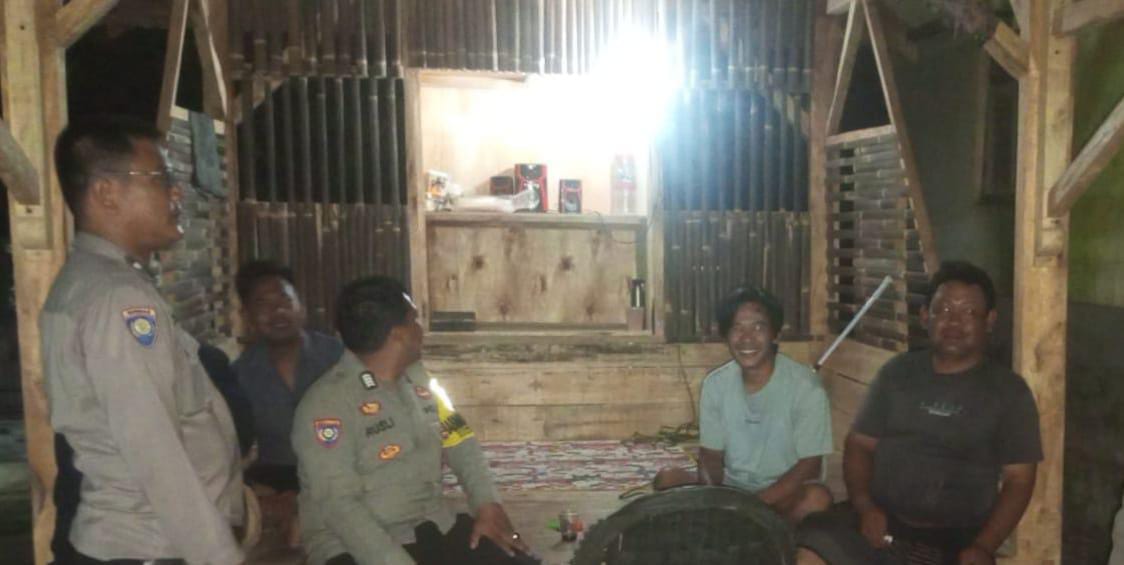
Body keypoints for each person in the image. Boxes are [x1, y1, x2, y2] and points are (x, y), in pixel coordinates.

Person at [41, 116, 244, 563]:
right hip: (147, 546)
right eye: (161, 178)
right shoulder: (118, 298)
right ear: (106, 193)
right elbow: (157, 453)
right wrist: (220, 557)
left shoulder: (90, 282)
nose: (176, 193)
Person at [796, 261, 1042, 565]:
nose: (954, 322)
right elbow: (859, 445)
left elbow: (1019, 479)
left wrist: (985, 545)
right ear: (926, 316)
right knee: (813, 543)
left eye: (969, 312)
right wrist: (865, 506)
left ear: (989, 320)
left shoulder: (1009, 392)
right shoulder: (897, 373)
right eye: (944, 310)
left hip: (956, 538)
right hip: (881, 521)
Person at [292, 276, 536, 565]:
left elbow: (460, 440)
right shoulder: (326, 405)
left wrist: (486, 504)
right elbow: (339, 507)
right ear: (399, 335)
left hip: (430, 525)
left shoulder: (422, 382)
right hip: (355, 547)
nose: (420, 330)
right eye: (414, 320)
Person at [51, 343, 253, 564]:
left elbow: (237, 436)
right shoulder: (101, 363)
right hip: (139, 538)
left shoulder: (201, 359)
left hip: (165, 537)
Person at [654, 286, 834, 524]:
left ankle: (769, 532)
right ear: (726, 336)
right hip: (732, 488)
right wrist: (715, 501)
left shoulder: (806, 388)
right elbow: (710, 456)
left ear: (775, 334)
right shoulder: (716, 384)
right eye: (737, 328)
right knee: (667, 479)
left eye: (758, 327)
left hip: (781, 492)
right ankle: (740, 527)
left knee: (817, 499)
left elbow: (810, 465)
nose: (747, 338)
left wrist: (753, 506)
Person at [232, 259, 343, 544]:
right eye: (263, 304)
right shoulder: (240, 375)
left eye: (285, 299)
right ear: (247, 316)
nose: (278, 310)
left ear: (300, 306)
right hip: (276, 481)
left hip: (341, 472)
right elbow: (231, 448)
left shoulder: (339, 358)